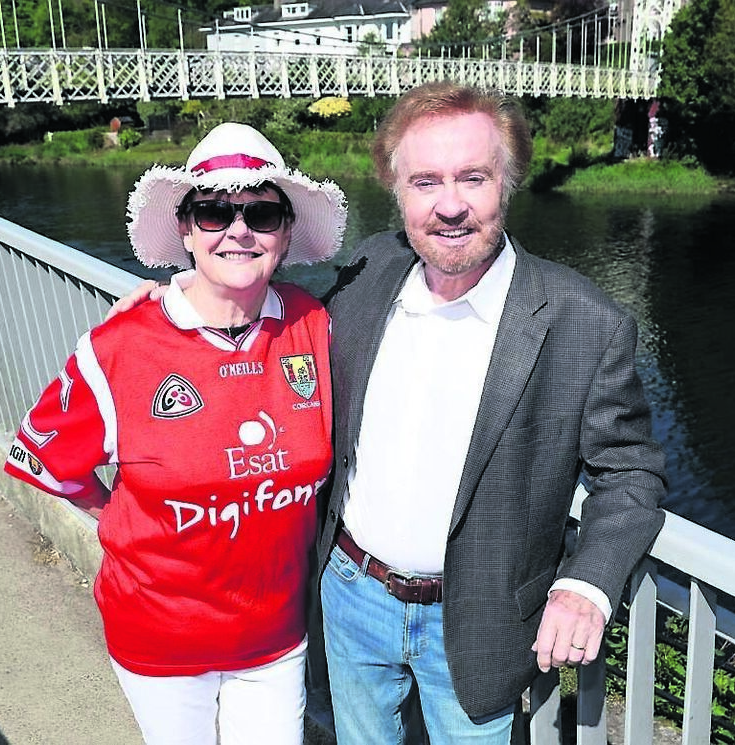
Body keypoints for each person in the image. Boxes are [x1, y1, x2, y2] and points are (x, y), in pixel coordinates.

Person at [110, 83, 667, 744]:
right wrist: (173, 305)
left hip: (479, 620)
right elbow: (265, 319)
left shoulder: (584, 322)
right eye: (425, 181)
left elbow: (631, 474)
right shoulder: (373, 268)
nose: (450, 205)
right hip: (351, 596)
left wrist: (586, 586)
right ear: (397, 190)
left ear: (508, 182)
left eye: (473, 177)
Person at [4, 122, 347, 745]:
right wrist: (121, 520)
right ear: (186, 229)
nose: (238, 231)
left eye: (262, 213)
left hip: (275, 637)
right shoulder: (121, 345)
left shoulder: (313, 324)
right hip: (159, 640)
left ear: (285, 232)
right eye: (213, 212)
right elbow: (49, 462)